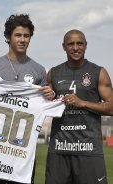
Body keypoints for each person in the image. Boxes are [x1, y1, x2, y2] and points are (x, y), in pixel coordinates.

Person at [0, 14, 55, 184]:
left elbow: (43, 105)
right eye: (18, 35)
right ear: (7, 37)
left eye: (26, 36)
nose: (22, 40)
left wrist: (50, 96)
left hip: (23, 151)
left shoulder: (39, 70)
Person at [45, 29, 113, 184]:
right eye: (70, 44)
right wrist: (47, 97)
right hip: (59, 149)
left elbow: (111, 107)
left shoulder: (98, 72)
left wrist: (82, 103)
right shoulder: (53, 73)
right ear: (64, 47)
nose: (75, 47)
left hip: (88, 149)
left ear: (86, 46)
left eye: (79, 43)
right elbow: (43, 102)